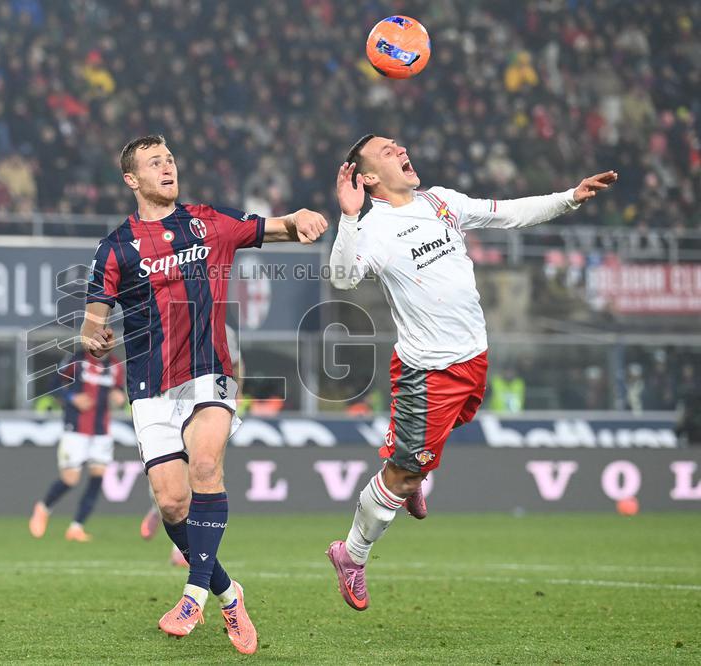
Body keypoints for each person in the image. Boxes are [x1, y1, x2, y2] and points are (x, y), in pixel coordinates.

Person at [325, 135, 617, 611]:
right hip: (429, 372)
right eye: (387, 151)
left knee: (435, 445)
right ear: (369, 177)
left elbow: (508, 213)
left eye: (399, 145)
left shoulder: (441, 201)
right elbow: (341, 279)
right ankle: (352, 554)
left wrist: (569, 197)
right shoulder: (373, 229)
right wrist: (348, 216)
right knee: (402, 471)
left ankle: (415, 475)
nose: (400, 150)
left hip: (474, 359)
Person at [81, 135, 327, 654]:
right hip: (150, 385)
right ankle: (227, 591)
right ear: (132, 180)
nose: (167, 167)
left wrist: (298, 218)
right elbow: (92, 322)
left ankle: (193, 593)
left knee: (206, 466)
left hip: (209, 371)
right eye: (154, 163)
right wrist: (94, 338)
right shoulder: (116, 247)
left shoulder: (207, 221)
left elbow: (271, 228)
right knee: (171, 503)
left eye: (170, 158)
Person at [139, 322, 244, 568]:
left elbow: (235, 363)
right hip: (171, 396)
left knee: (205, 470)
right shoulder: (166, 315)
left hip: (210, 398)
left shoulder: (224, 328)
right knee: (172, 480)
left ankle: (182, 549)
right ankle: (158, 509)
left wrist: (234, 394)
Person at [29, 348, 125, 542]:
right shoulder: (78, 359)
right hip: (76, 428)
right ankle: (43, 507)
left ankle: (76, 527)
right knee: (70, 479)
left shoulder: (115, 365)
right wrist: (73, 398)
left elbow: (119, 392)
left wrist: (119, 397)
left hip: (101, 430)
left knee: (97, 477)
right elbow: (54, 384)